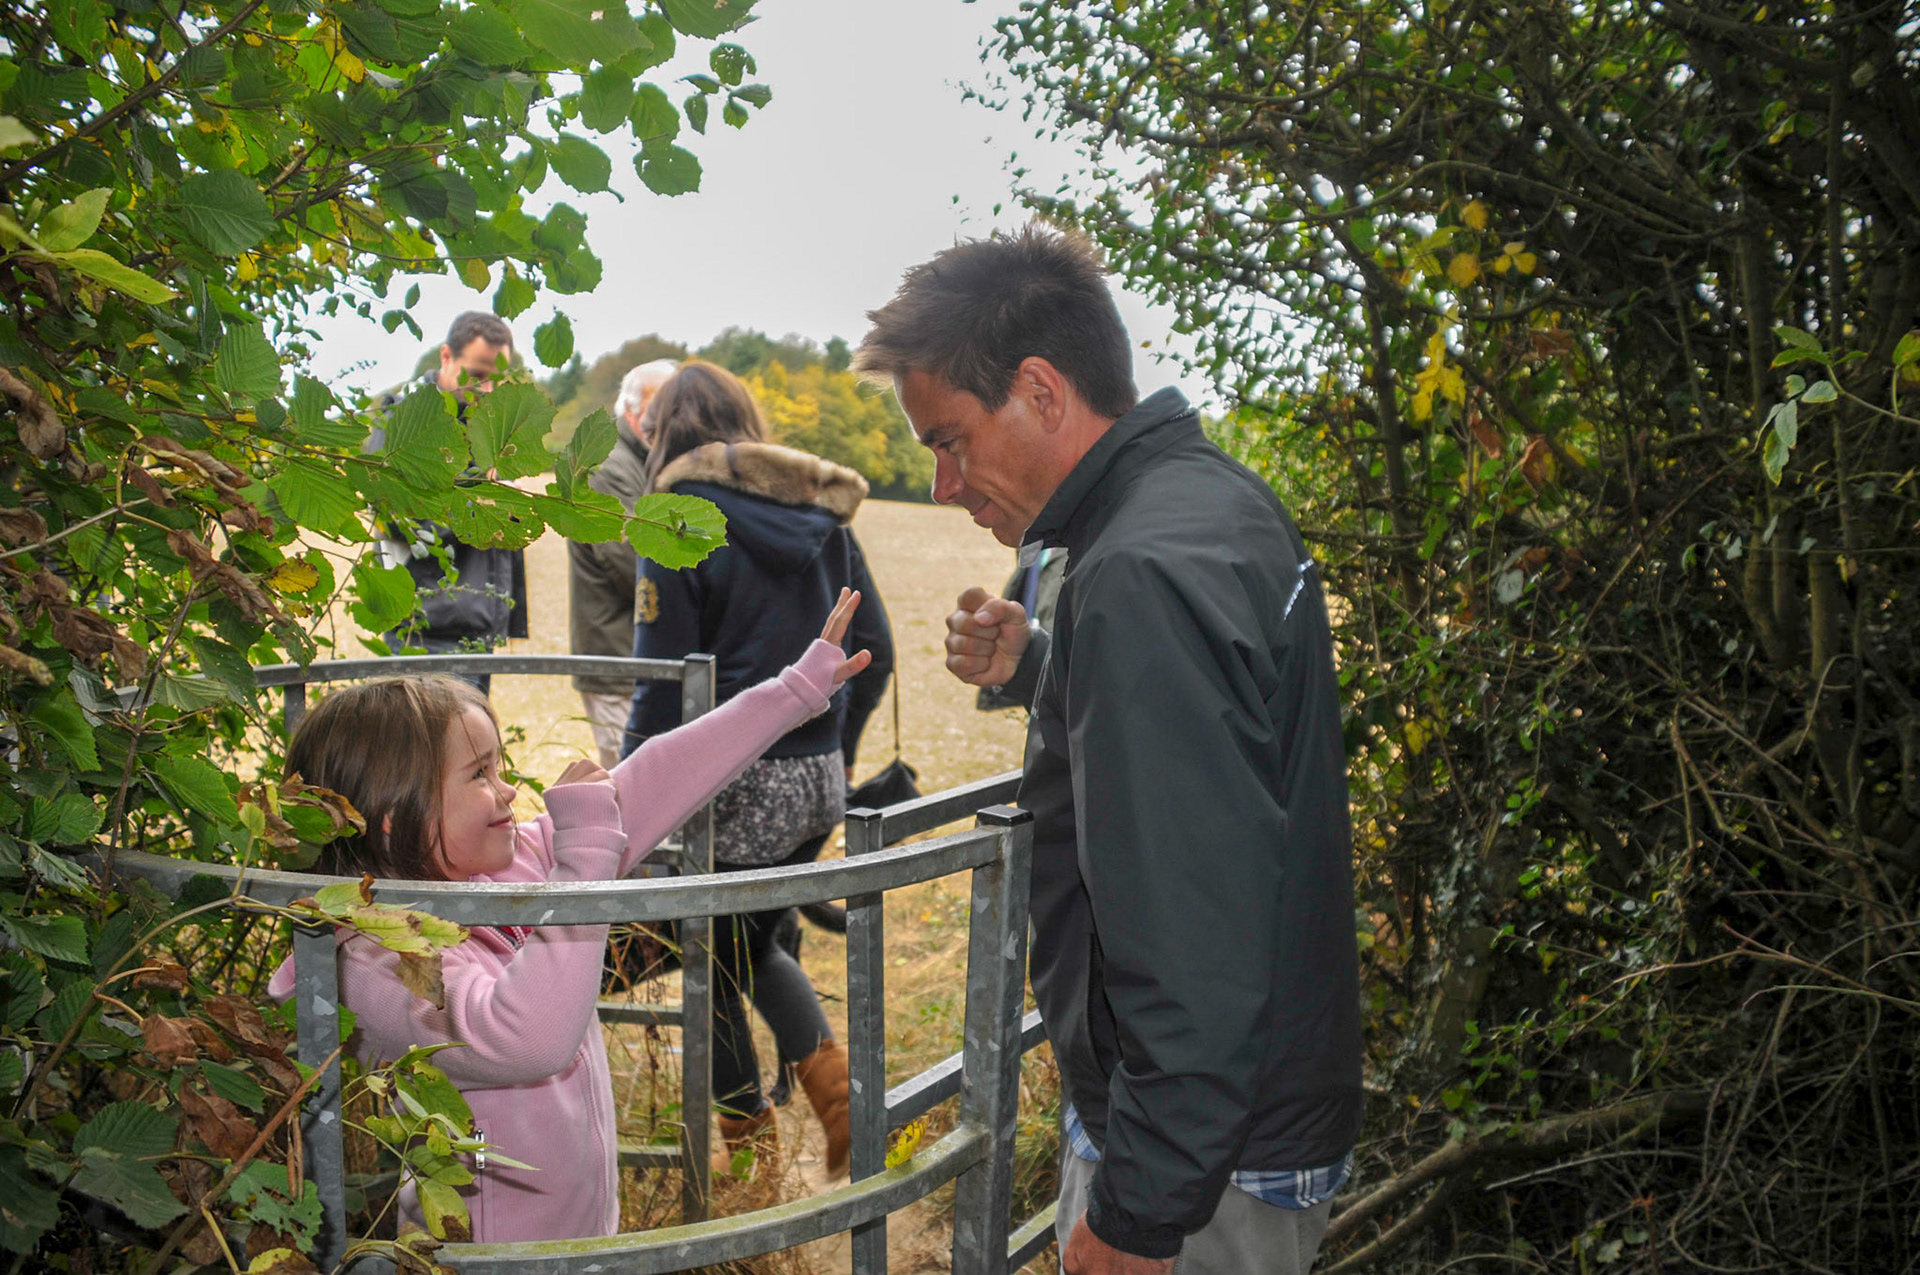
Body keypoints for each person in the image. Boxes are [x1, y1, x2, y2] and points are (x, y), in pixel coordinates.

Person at [853, 228, 1362, 1275]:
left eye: (948, 440)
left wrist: (1139, 1212)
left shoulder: (1139, 571)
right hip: (1244, 1122)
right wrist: (1043, 668)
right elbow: (1222, 757)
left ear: (1039, 390)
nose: (944, 485)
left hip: (1201, 1164)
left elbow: (1192, 933)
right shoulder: (1203, 504)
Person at [266, 591, 875, 1242]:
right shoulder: (373, 958)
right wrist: (583, 858)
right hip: (491, 1256)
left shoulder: (504, 868)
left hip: (580, 1236)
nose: (506, 790)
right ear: (395, 816)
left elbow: (655, 778)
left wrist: (793, 690)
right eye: (479, 774)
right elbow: (527, 1039)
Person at [621, 360, 894, 1180]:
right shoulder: (820, 515)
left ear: (662, 432)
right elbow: (875, 649)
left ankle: (751, 1150)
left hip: (727, 780)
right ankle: (836, 1094)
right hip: (813, 782)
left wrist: (630, 793)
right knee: (747, 941)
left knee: (705, 950)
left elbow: (663, 685)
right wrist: (832, 760)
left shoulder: (674, 515)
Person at [377, 312, 528, 694]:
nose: (488, 388)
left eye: (497, 377)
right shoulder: (401, 420)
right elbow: (400, 518)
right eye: (477, 375)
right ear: (446, 356)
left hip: (477, 631)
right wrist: (485, 502)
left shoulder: (489, 426)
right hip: (424, 633)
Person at [569, 358, 681, 768]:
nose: (667, 420)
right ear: (631, 411)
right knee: (631, 787)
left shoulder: (645, 462)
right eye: (659, 408)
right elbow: (629, 563)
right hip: (616, 662)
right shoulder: (610, 468)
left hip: (635, 659)